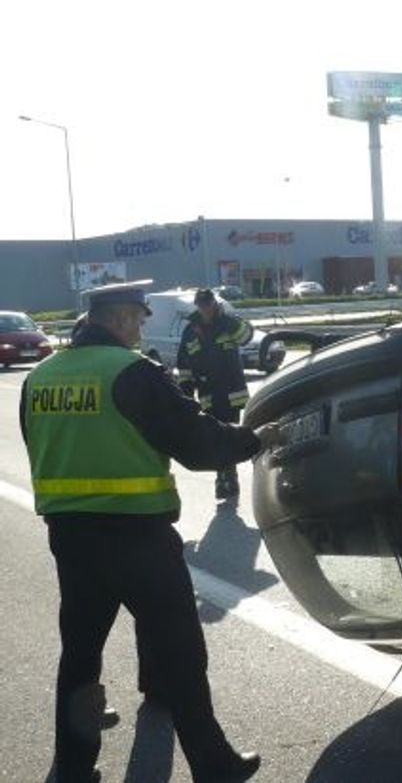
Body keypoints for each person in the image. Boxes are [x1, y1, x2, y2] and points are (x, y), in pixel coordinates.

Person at [20, 281, 279, 783]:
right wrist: (252, 441)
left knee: (80, 655)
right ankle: (213, 763)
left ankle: (74, 768)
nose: (140, 328)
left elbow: (38, 446)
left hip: (70, 539)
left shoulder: (41, 377)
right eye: (137, 320)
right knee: (181, 651)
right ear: (118, 319)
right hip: (136, 538)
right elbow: (200, 445)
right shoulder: (132, 372)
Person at [176, 288, 254, 504]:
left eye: (209, 304)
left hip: (231, 394)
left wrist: (225, 319)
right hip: (207, 394)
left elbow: (247, 336)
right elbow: (183, 366)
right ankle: (224, 477)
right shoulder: (190, 331)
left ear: (214, 304)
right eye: (201, 305)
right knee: (215, 438)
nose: (205, 308)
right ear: (197, 306)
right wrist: (185, 395)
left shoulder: (228, 323)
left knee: (226, 435)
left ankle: (227, 478)